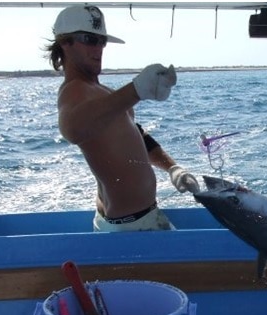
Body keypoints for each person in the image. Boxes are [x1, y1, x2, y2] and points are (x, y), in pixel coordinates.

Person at [45, 5, 200, 232]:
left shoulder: (103, 93)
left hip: (128, 222)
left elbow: (138, 137)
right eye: (89, 39)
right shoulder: (74, 91)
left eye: (101, 41)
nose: (97, 47)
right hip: (133, 228)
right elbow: (73, 128)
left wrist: (173, 168)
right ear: (64, 43)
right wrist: (135, 91)